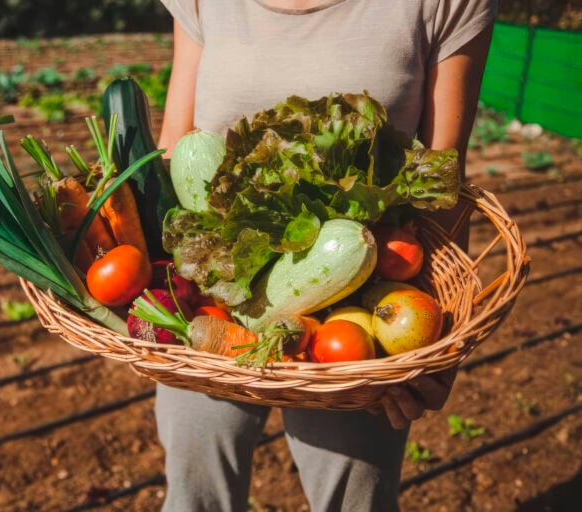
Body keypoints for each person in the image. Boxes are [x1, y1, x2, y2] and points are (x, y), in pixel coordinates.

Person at [155, 1, 497, 510]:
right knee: (195, 495)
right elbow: (174, 146)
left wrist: (439, 338)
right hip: (213, 298)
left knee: (354, 500)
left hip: (362, 311)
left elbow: (442, 182)